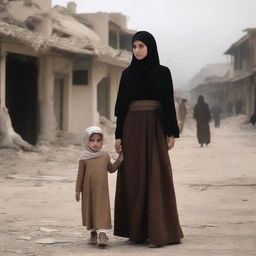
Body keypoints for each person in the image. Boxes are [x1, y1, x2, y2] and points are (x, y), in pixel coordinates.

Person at [113, 31, 184, 247]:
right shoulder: (127, 74)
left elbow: (168, 103)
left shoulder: (163, 73)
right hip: (131, 129)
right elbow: (121, 108)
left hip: (155, 127)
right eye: (134, 46)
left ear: (150, 47)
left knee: (156, 176)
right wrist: (118, 135)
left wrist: (171, 131)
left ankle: (158, 232)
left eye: (141, 46)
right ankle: (136, 231)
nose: (137, 50)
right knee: (134, 177)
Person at [75, 126, 123, 247]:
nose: (95, 143)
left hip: (101, 191)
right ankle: (93, 233)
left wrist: (120, 159)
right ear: (86, 141)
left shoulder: (105, 155)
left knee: (101, 210)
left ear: (102, 141)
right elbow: (80, 176)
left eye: (98, 140)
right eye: (92, 140)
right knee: (91, 210)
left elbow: (111, 169)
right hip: (88, 191)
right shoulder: (83, 158)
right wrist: (77, 191)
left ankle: (103, 234)